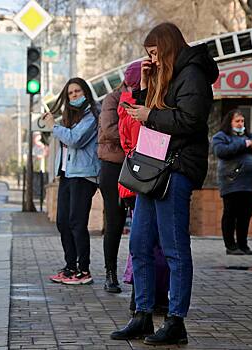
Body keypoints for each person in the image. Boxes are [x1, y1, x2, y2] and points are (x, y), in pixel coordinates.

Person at [110, 22, 219, 346]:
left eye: (155, 53)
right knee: (140, 244)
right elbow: (155, 111)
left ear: (168, 47)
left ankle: (176, 321)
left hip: (177, 168)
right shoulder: (166, 75)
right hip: (154, 168)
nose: (153, 60)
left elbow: (190, 120)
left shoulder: (193, 74)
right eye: (149, 56)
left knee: (174, 248)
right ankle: (142, 314)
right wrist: (145, 86)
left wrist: (149, 115)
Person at [117, 61, 170, 316]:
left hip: (135, 178)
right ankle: (150, 298)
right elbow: (149, 136)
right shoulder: (140, 105)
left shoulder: (124, 105)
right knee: (154, 243)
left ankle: (141, 300)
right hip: (151, 177)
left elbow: (127, 141)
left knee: (140, 242)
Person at [44, 77, 101, 285]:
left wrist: (54, 127)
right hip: (68, 174)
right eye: (70, 93)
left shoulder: (93, 114)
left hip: (84, 175)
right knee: (63, 221)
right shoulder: (72, 117)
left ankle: (83, 269)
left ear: (85, 92)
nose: (74, 95)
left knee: (77, 222)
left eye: (77, 91)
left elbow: (75, 140)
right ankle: (70, 267)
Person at [97, 64, 137, 293]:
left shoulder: (146, 97)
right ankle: (110, 273)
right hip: (113, 166)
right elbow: (110, 129)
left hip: (137, 166)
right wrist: (136, 131)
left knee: (141, 221)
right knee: (114, 221)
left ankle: (137, 274)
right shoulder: (112, 99)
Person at [212, 109, 252, 255]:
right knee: (230, 214)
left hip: (250, 184)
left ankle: (243, 245)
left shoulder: (249, 136)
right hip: (231, 183)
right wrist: (244, 144)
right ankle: (231, 246)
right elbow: (221, 151)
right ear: (230, 122)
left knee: (245, 216)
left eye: (242, 121)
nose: (241, 124)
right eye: (237, 121)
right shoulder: (221, 137)